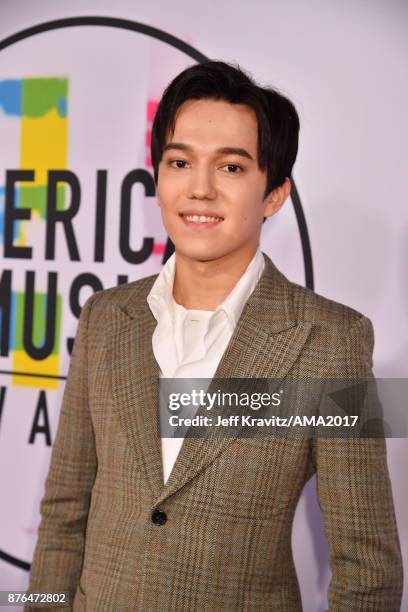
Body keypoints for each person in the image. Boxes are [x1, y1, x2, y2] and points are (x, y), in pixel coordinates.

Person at [26, 60, 403, 611]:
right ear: (158, 175)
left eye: (230, 168)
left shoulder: (329, 340)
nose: (199, 189)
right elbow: (64, 514)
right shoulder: (105, 318)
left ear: (273, 194)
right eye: (180, 162)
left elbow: (367, 568)